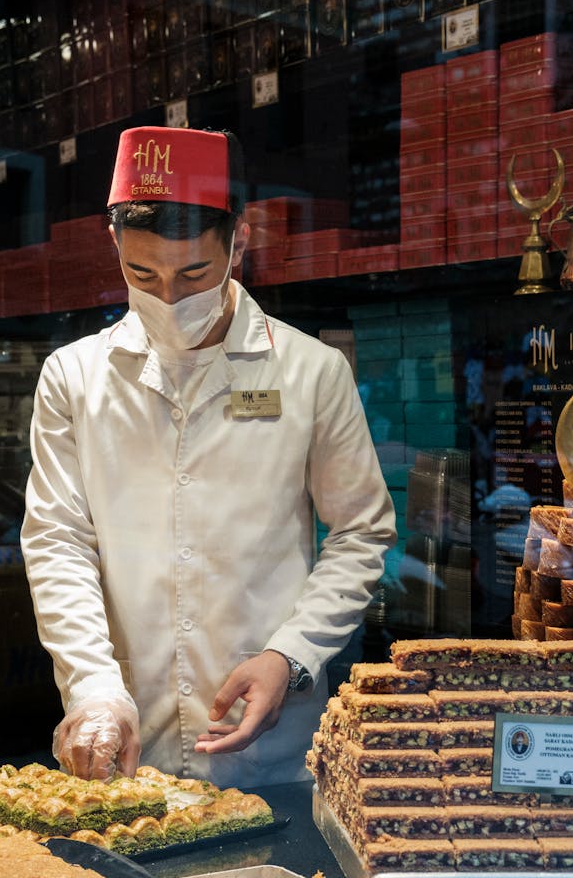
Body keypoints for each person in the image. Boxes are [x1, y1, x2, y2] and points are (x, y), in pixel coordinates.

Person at [21, 125, 396, 788]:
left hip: (274, 759)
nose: (168, 296)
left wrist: (292, 652)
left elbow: (362, 531)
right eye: (143, 274)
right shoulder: (74, 377)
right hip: (128, 751)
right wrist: (94, 687)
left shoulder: (311, 372)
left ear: (238, 242)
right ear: (114, 245)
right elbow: (58, 542)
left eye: (193, 273)